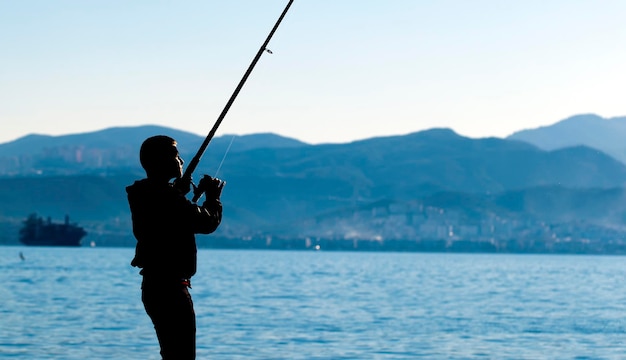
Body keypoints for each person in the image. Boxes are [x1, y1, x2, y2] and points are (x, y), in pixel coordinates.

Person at [126, 135, 223, 359]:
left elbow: (171, 215)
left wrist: (178, 193)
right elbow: (205, 223)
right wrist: (213, 198)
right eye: (175, 155)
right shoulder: (166, 198)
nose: (181, 160)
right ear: (161, 161)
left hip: (155, 286)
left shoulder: (148, 194)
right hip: (170, 289)